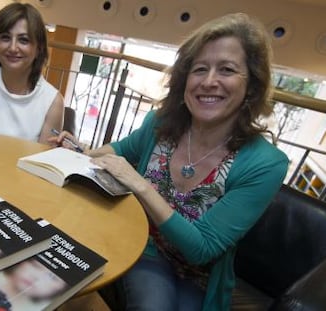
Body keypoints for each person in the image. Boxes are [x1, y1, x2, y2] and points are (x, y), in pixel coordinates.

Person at [50, 13, 289, 310]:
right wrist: (81, 151)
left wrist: (140, 184)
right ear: (185, 79)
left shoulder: (266, 163)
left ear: (251, 85)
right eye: (199, 69)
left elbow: (201, 249)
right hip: (142, 246)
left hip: (200, 276)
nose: (210, 81)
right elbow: (123, 149)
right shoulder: (161, 122)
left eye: (227, 69)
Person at [0, 3, 65, 144]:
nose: (13, 48)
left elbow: (41, 164)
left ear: (39, 48)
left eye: (23, 40)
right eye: (5, 38)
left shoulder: (53, 102)